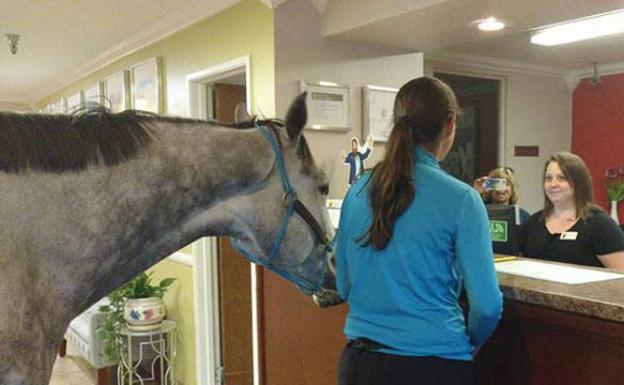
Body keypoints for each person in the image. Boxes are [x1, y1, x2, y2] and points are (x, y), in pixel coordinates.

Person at [335, 77, 502, 385]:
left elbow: (343, 285)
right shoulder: (462, 199)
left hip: (360, 363)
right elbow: (487, 306)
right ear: (450, 125)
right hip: (432, 364)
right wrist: (470, 340)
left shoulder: (357, 191)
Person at [519, 152, 624, 269]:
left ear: (579, 182)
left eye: (561, 178)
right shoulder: (532, 223)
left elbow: (620, 277)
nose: (553, 184)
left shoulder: (600, 225)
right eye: (548, 179)